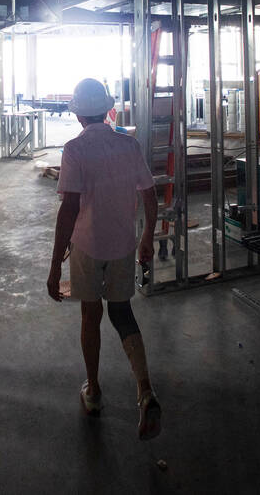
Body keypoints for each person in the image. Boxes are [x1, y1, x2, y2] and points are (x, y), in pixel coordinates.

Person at [46, 77, 162, 440]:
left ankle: (94, 392)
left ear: (79, 115)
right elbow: (150, 194)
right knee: (122, 311)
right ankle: (144, 390)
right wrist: (147, 238)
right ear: (108, 109)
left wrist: (54, 267)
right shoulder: (128, 145)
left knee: (90, 315)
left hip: (87, 245)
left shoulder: (75, 150)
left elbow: (69, 211)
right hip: (123, 244)